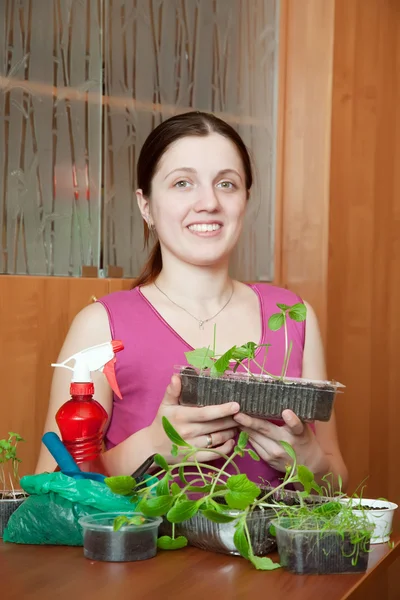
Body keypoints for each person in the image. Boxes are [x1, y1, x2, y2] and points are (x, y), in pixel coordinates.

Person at [35, 111, 348, 491]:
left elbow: (336, 482)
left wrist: (311, 463)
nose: (208, 202)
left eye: (227, 184)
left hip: (274, 550)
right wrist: (152, 446)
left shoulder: (296, 318)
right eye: (183, 183)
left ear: (245, 199)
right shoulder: (100, 326)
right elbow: (47, 494)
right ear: (145, 205)